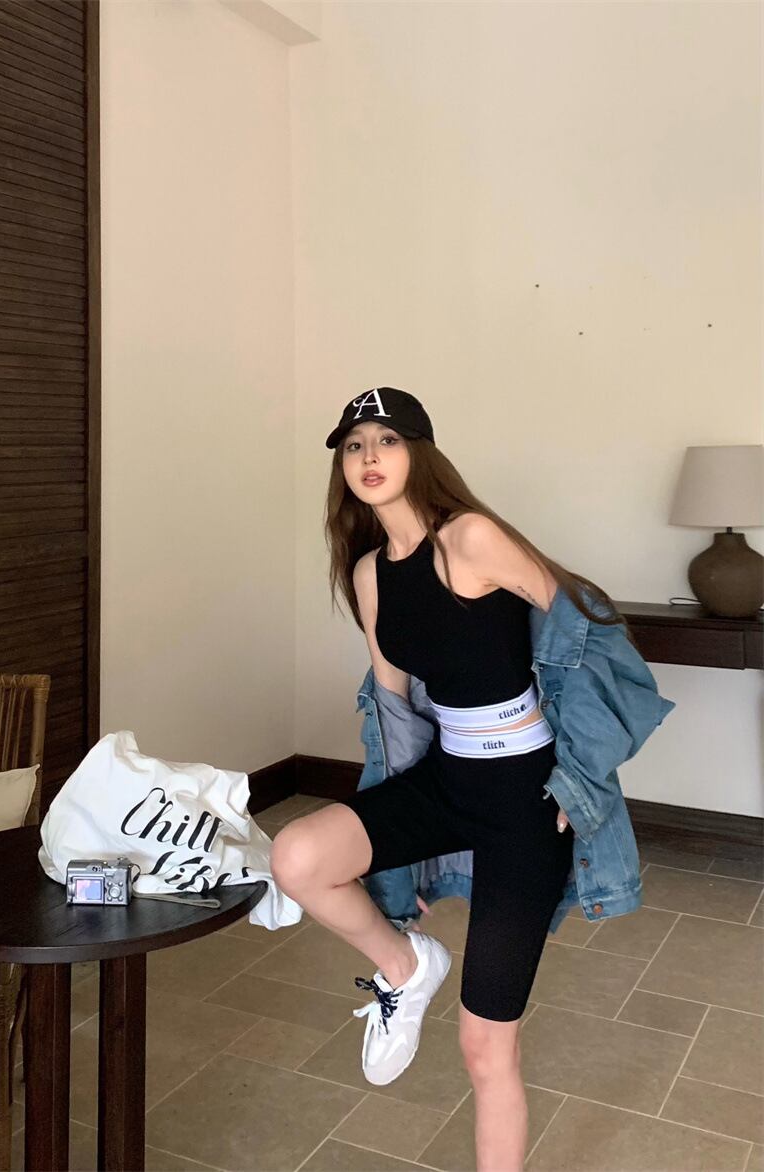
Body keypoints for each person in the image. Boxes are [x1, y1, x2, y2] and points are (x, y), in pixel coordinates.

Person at [270, 386, 631, 1172]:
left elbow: (591, 632)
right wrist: (403, 854)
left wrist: (579, 773)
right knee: (297, 856)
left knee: (484, 1047)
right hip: (444, 779)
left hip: (527, 803)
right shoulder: (370, 574)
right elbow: (394, 713)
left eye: (387, 441)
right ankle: (405, 967)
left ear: (420, 453)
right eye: (354, 445)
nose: (369, 457)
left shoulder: (468, 539)